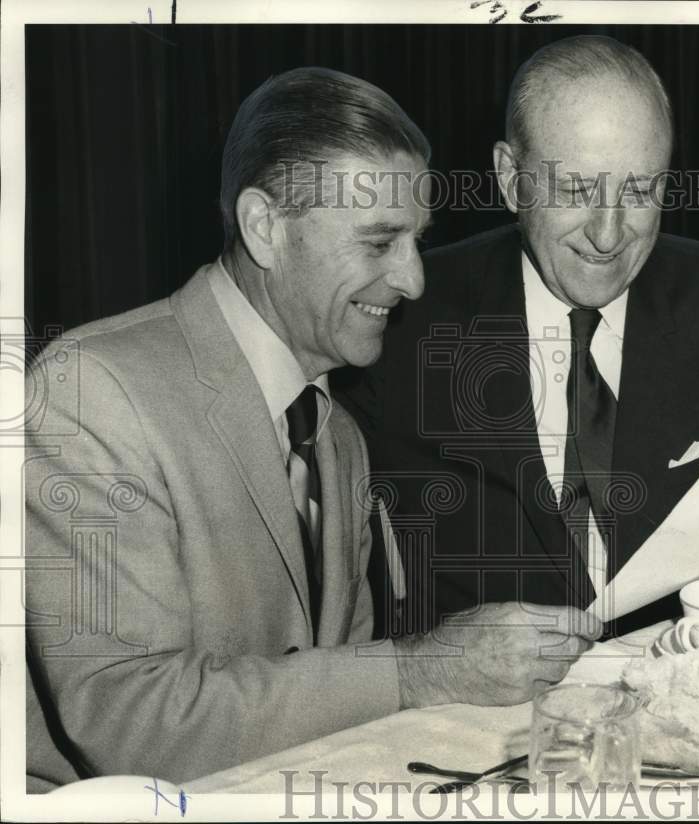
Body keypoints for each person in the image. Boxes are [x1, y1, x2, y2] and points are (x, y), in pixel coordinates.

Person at [24, 66, 601, 791]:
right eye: (379, 241)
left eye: (416, 240)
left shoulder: (337, 435)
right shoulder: (90, 392)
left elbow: (341, 712)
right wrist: (420, 670)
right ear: (265, 228)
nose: (415, 279)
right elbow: (132, 724)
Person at [335, 36, 699, 638]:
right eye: (575, 190)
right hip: (476, 713)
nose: (610, 235)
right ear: (511, 179)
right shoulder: (405, 309)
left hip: (682, 687)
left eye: (640, 191)